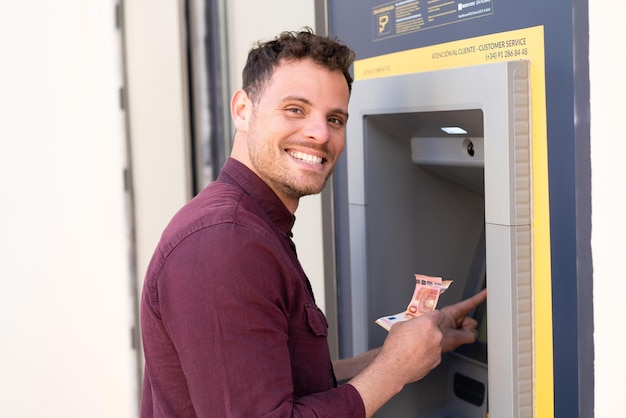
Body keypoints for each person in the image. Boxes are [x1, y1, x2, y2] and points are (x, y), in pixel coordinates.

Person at [140, 28, 487, 418]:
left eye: (335, 118)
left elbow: (283, 386)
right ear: (242, 110)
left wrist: (407, 351)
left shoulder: (252, 227)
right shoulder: (224, 242)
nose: (320, 133)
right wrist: (393, 369)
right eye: (295, 109)